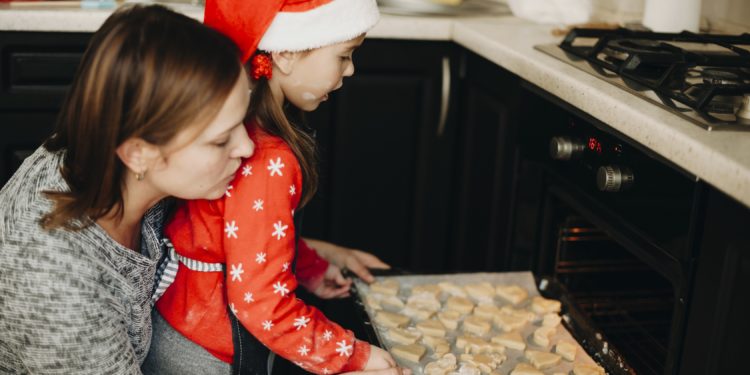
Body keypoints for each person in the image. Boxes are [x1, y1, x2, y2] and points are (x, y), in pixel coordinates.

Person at [145, 0, 406, 374]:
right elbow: (262, 303)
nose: (350, 70)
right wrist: (352, 356)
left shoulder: (240, 131)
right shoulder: (269, 158)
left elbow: (251, 242)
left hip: (179, 327)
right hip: (211, 355)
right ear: (284, 53)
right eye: (344, 55)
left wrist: (311, 267)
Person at [0, 4, 255, 374]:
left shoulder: (109, 151)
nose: (247, 148)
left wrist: (305, 253)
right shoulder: (56, 281)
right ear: (138, 153)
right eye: (220, 141)